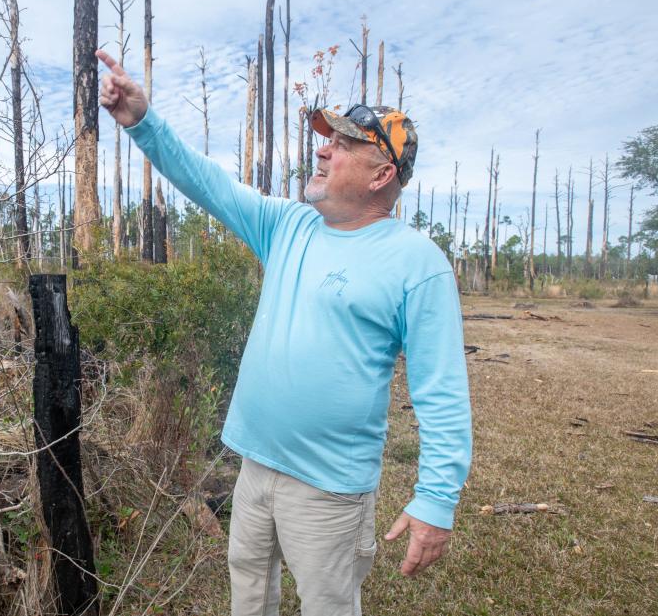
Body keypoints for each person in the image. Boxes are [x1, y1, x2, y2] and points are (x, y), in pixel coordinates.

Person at [96, 49, 472, 616]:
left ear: (382, 174)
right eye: (328, 138)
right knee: (248, 594)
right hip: (253, 465)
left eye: (345, 144)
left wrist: (436, 500)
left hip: (329, 490)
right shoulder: (289, 225)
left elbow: (441, 392)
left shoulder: (416, 263)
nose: (323, 148)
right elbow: (210, 184)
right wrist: (143, 123)